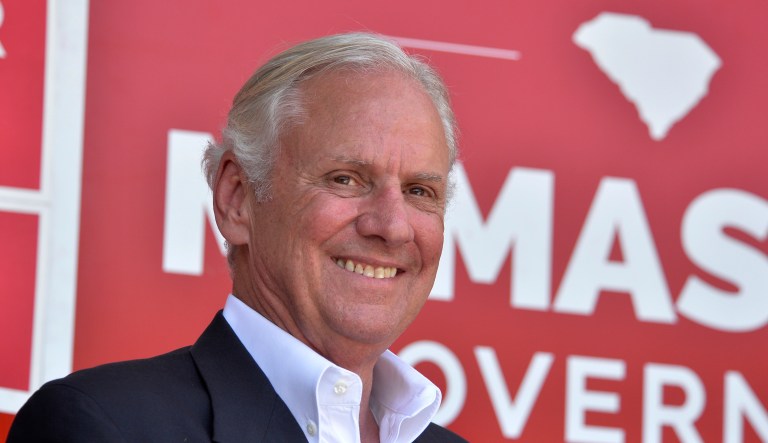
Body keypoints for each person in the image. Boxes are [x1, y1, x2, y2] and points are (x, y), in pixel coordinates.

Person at [9, 32, 467, 442]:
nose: (391, 226)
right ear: (237, 199)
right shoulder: (101, 426)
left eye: (418, 191)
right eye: (345, 179)